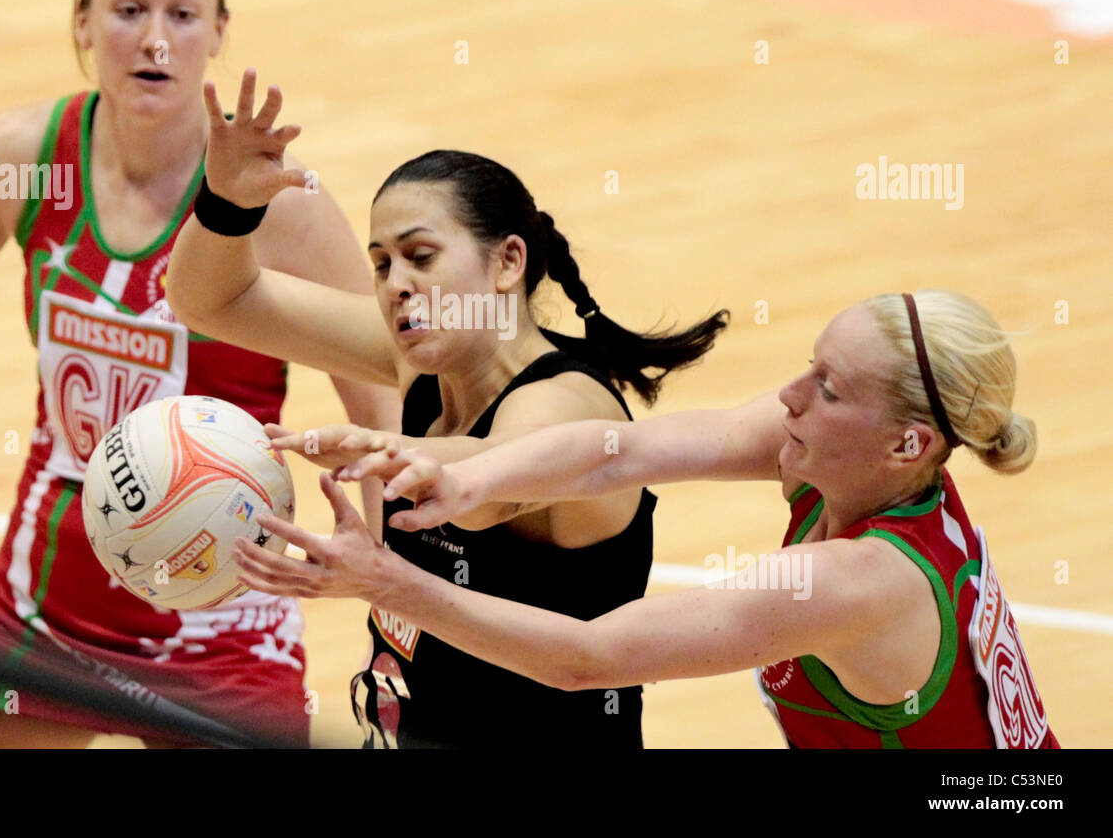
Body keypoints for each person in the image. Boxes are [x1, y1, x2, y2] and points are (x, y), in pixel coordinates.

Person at [0, 0, 399, 747]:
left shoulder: (280, 207)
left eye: (182, 15)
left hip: (221, 630)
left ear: (218, 33)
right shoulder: (25, 156)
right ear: (83, 23)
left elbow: (382, 413)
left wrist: (397, 589)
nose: (154, 39)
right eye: (128, 11)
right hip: (40, 610)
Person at [238, 290, 1060, 748]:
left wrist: (386, 582)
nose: (790, 396)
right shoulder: (851, 460)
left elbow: (590, 658)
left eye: (830, 388)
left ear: (907, 442)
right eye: (810, 366)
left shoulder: (853, 580)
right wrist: (471, 478)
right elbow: (617, 452)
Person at [164, 97, 729, 747]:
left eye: (421, 256)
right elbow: (214, 300)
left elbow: (485, 489)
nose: (395, 284)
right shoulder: (420, 370)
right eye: (381, 264)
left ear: (507, 262)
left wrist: (384, 445)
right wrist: (227, 204)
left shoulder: (567, 400)